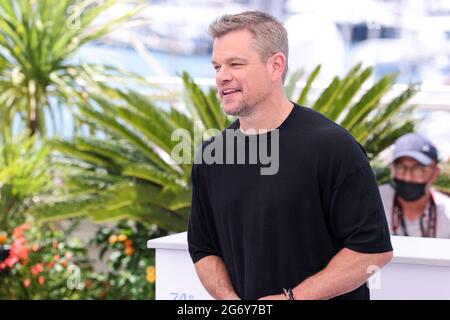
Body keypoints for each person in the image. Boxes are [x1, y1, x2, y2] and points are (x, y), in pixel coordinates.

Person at [187, 11, 393, 300]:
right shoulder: (212, 155)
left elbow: (372, 250)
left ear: (275, 66)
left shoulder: (333, 147)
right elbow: (203, 248)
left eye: (235, 64)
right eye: (217, 66)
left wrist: (293, 299)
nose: (222, 76)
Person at [379, 133, 450, 238]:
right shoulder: (373, 201)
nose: (407, 177)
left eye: (419, 169)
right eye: (400, 167)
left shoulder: (447, 211)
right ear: (392, 168)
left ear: (435, 173)